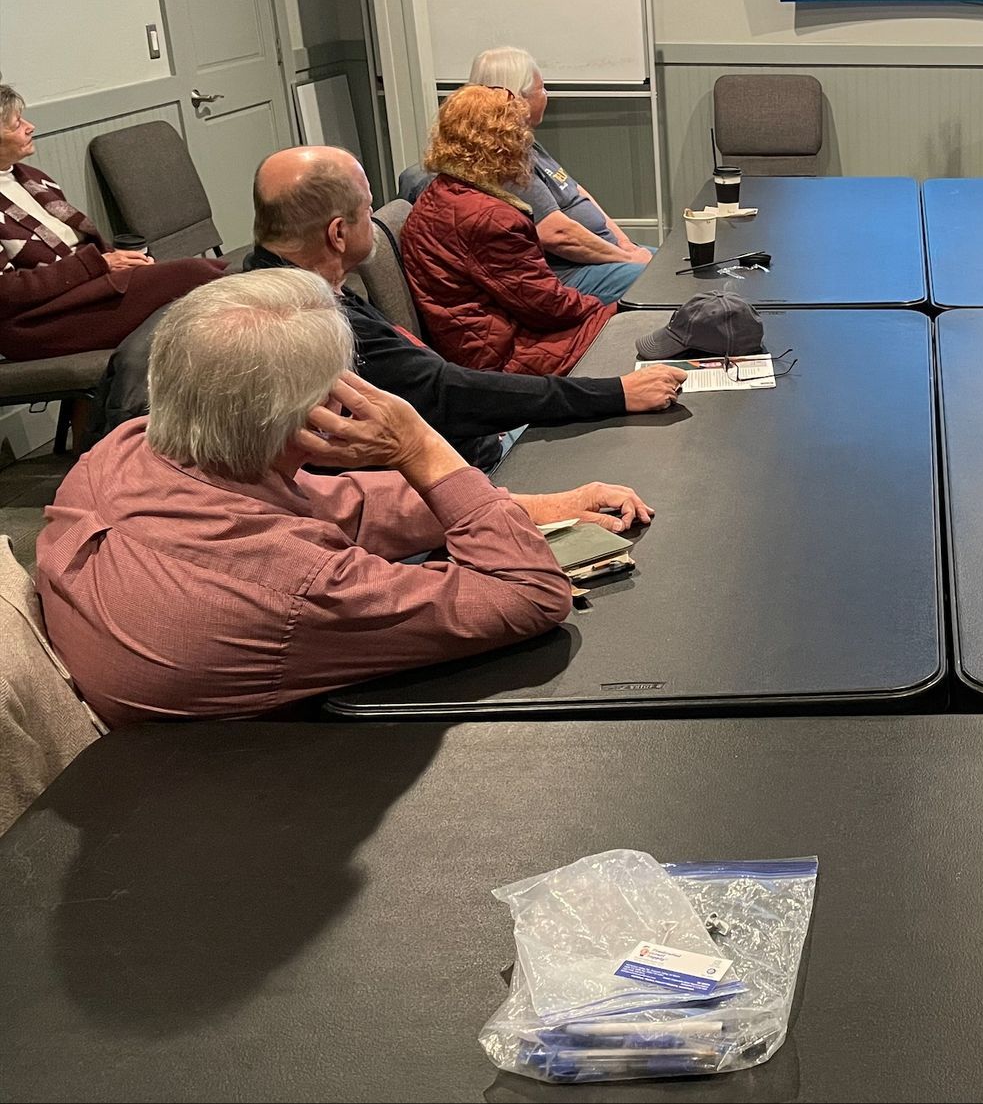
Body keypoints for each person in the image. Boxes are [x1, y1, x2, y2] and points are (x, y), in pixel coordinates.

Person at [37, 270, 651, 727]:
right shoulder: (299, 586)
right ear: (319, 412)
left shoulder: (125, 449)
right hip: (247, 784)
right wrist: (421, 447)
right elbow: (529, 595)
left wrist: (534, 505)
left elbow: (337, 503)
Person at [92, 146, 684, 468]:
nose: (377, 215)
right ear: (337, 232)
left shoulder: (271, 279)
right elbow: (449, 395)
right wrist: (613, 394)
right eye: (367, 206)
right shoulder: (309, 323)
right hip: (462, 463)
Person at [0, 85, 223, 360]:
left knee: (208, 283)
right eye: (16, 124)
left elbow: (83, 246)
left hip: (84, 289)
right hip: (36, 321)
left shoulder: (32, 177)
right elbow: (7, 291)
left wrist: (116, 261)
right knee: (199, 277)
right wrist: (99, 264)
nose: (30, 127)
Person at [404, 86, 614, 375]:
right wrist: (609, 311)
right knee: (640, 323)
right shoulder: (488, 219)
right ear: (502, 143)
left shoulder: (440, 193)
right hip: (507, 357)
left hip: (484, 345)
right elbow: (547, 307)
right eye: (519, 134)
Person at [466, 46, 655, 305]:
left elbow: (576, 193)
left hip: (604, 257)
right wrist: (627, 258)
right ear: (517, 98)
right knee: (668, 282)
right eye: (541, 89)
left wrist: (625, 243)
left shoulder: (525, 142)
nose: (546, 95)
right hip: (570, 275)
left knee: (678, 264)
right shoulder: (503, 158)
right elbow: (557, 234)